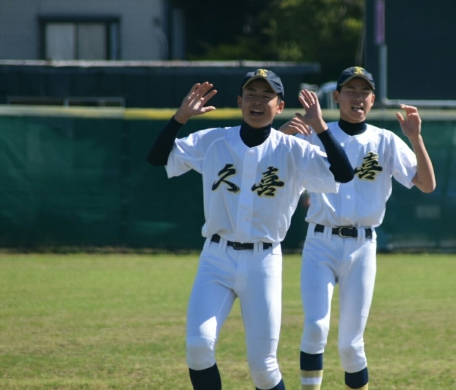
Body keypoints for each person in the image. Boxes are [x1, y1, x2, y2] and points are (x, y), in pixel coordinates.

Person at [147, 69, 355, 390]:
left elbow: (343, 173)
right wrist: (180, 118)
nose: (257, 101)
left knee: (263, 367)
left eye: (266, 95)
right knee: (198, 348)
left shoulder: (292, 149)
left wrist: (321, 127)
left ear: (279, 105)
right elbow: (157, 158)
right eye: (251, 94)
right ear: (239, 101)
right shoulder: (215, 140)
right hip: (216, 258)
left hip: (263, 262)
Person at [280, 66, 436, 390]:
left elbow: (426, 184)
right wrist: (283, 132)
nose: (358, 97)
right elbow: (271, 163)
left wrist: (416, 138)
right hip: (321, 242)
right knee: (315, 327)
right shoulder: (315, 132)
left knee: (351, 345)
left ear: (373, 100)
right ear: (337, 97)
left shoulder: (385, 140)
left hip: (363, 246)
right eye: (350, 91)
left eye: (364, 92)